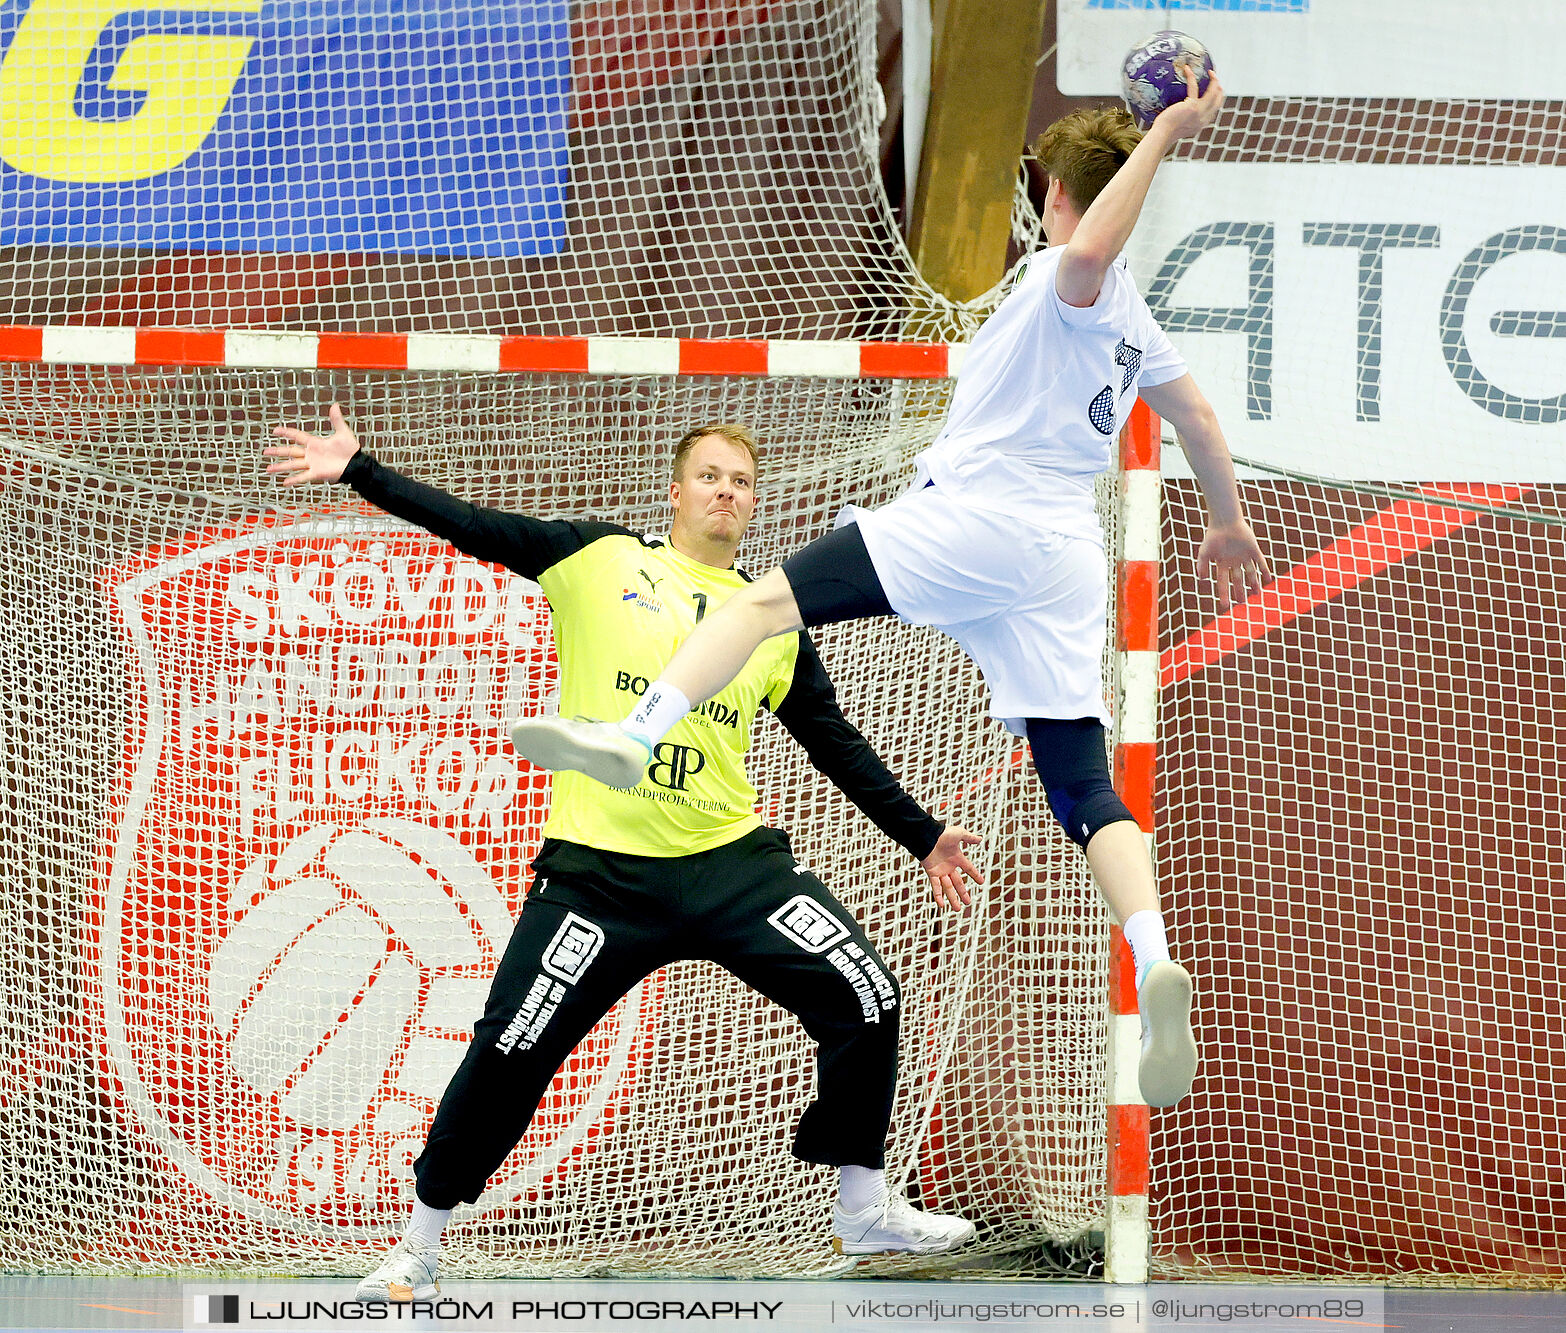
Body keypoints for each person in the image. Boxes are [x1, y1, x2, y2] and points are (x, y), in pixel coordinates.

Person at [506, 74, 1269, 1112]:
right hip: (1058, 556)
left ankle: (636, 737)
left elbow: (1089, 247)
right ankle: (1154, 948)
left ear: (1052, 194)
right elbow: (1204, 426)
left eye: (1048, 193)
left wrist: (1171, 129)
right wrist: (1225, 521)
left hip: (980, 520)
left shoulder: (1067, 276)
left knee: (754, 605)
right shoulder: (1136, 322)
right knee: (1082, 786)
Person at [264, 412, 983, 1302]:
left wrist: (922, 833)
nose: (728, 492)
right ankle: (419, 1244)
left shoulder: (773, 618)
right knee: (511, 1045)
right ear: (676, 491)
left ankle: (863, 1204)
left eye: (743, 482)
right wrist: (361, 470)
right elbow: (477, 526)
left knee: (866, 990)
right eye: (711, 476)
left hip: (729, 865)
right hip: (601, 875)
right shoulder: (600, 558)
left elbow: (832, 741)